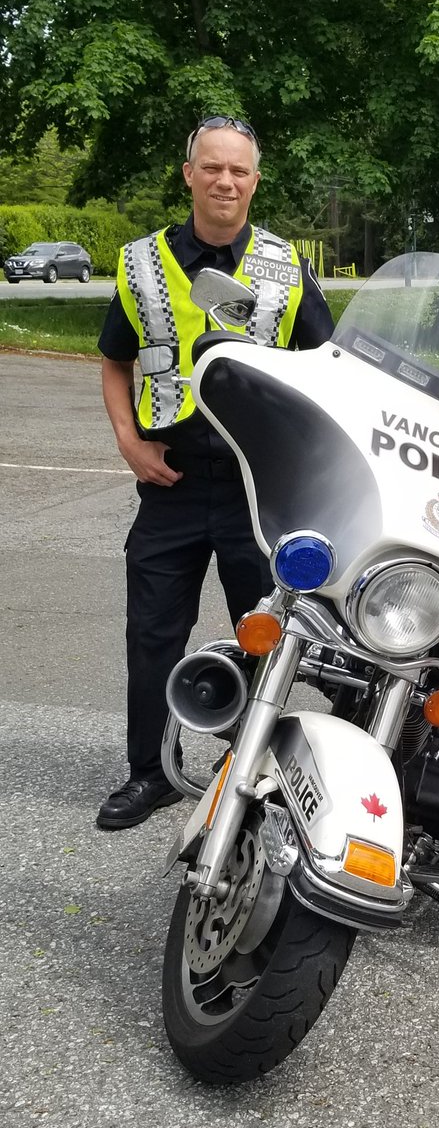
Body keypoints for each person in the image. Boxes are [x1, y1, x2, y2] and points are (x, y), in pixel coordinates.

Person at [96, 115, 334, 830]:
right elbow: (115, 358)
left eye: (240, 170)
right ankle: (150, 773)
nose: (226, 180)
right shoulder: (140, 263)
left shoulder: (286, 266)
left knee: (261, 632)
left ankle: (246, 772)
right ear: (190, 175)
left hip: (255, 490)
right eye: (213, 168)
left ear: (255, 181)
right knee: (152, 633)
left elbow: (327, 369)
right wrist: (128, 442)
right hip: (168, 481)